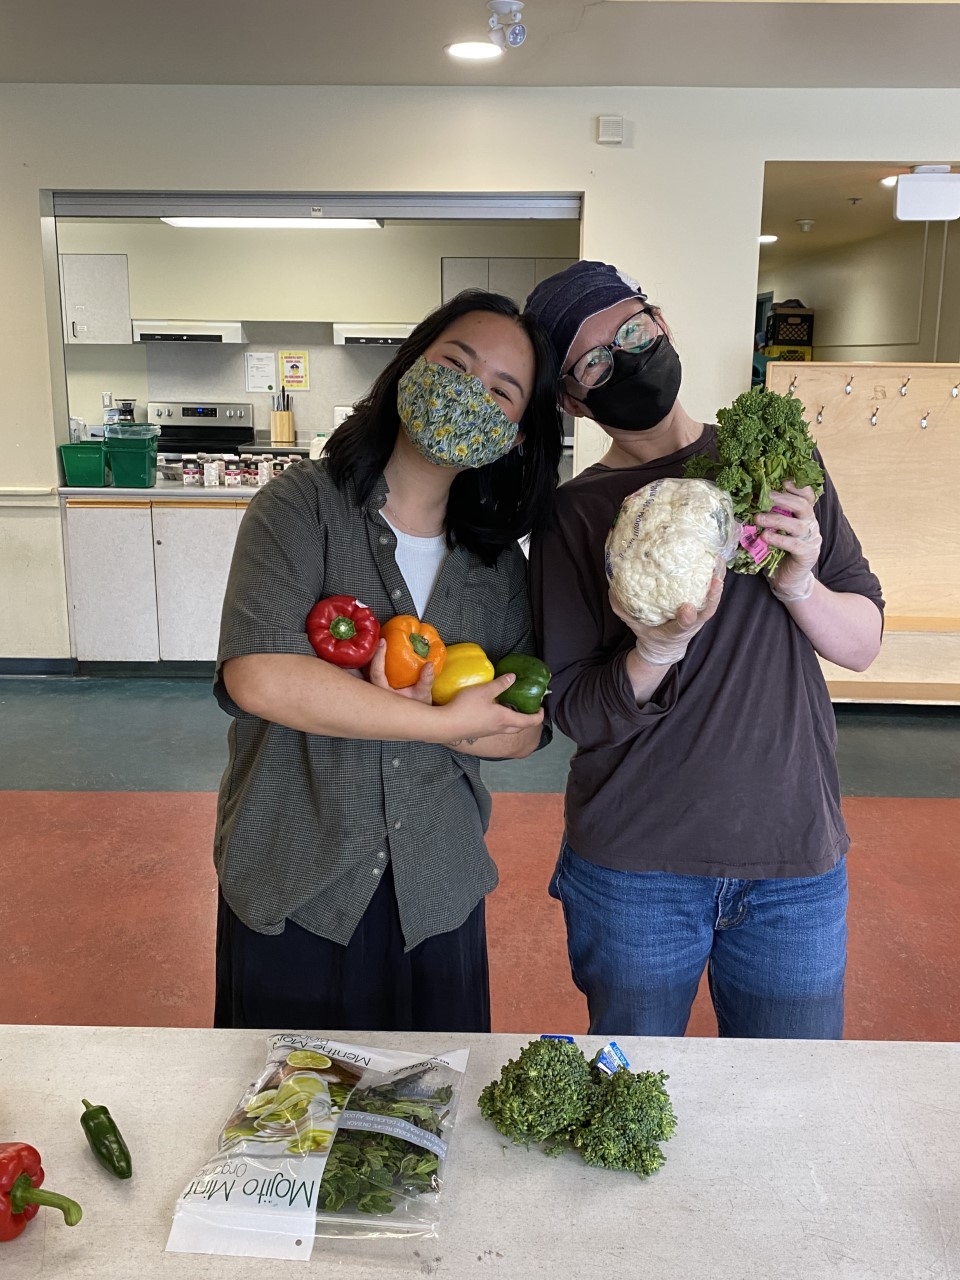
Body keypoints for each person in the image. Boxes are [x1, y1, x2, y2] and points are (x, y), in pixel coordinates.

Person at [525, 260, 884, 1039]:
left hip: (793, 859)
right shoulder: (574, 515)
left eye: (632, 330)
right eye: (592, 359)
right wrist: (657, 647)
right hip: (636, 873)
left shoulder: (779, 468)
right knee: (633, 1096)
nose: (624, 357)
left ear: (661, 324)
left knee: (790, 1109)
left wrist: (801, 585)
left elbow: (863, 642)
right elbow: (577, 712)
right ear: (571, 399)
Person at [213, 289, 563, 1034]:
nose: (470, 394)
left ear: (517, 436)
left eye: (501, 391)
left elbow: (523, 730)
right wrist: (444, 722)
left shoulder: (496, 569)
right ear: (408, 368)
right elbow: (260, 675)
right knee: (285, 1127)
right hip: (297, 880)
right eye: (454, 365)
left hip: (435, 892)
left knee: (424, 1126)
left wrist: (466, 721)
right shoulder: (301, 507)